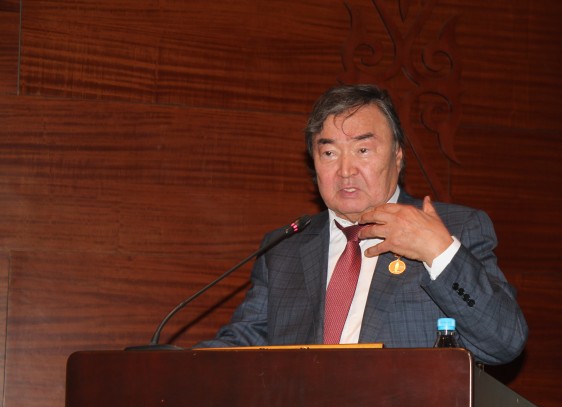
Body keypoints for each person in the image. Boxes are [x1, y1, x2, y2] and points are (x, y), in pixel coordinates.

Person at [197, 84, 527, 365]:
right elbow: (243, 344)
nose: (345, 170)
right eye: (329, 153)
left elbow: (504, 342)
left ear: (398, 155)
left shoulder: (455, 228)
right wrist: (177, 365)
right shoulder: (284, 248)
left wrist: (439, 253)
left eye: (363, 149)